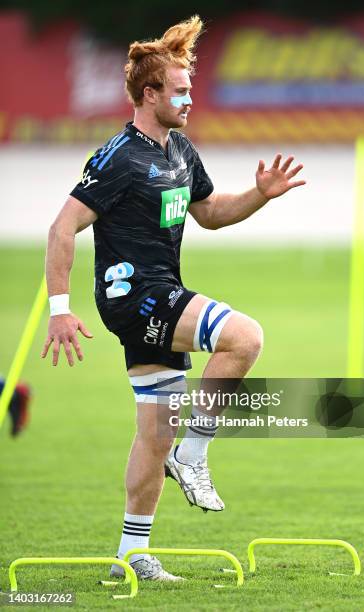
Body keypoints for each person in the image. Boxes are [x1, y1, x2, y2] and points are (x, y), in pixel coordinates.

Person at [41, 15, 305, 581]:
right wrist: (59, 312)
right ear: (149, 93)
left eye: (191, 89)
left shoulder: (180, 151)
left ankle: (131, 553)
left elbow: (209, 214)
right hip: (134, 295)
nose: (190, 99)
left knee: (154, 431)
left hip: (164, 294)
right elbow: (62, 228)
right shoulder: (118, 156)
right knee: (244, 337)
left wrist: (259, 195)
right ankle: (197, 450)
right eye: (179, 91)